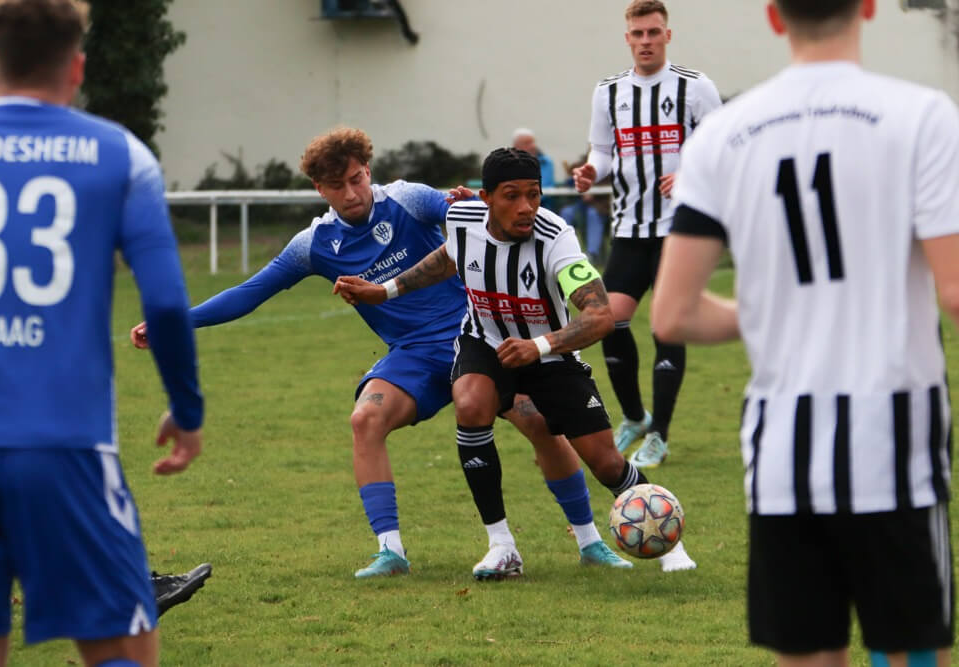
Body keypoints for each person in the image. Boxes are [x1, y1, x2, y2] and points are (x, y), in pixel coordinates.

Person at [132, 127, 632, 579]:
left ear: (368, 171)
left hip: (475, 340)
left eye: (357, 179)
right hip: (413, 356)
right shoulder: (314, 245)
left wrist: (471, 204)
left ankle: (590, 541)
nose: (351, 193)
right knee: (364, 419)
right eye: (338, 186)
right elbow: (251, 291)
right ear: (320, 190)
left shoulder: (410, 200)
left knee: (538, 421)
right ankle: (390, 552)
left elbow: (477, 219)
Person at [651, 1, 958, 664]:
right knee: (907, 646)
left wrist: (772, 312)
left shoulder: (723, 134)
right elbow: (954, 288)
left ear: (774, 17)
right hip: (893, 437)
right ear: (869, 7)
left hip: (782, 442)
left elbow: (672, 314)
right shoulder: (923, 116)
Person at [0, 1, 204, 666]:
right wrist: (187, 411)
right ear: (77, 67)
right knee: (127, 644)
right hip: (63, 442)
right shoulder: (120, 154)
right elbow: (166, 302)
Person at [335, 147, 697, 573]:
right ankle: (502, 545)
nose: (526, 207)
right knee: (470, 404)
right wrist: (386, 290)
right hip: (484, 344)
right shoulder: (462, 218)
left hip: (551, 356)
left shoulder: (555, 236)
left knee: (606, 463)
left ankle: (669, 541)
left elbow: (601, 316)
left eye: (534, 194)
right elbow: (448, 258)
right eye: (511, 195)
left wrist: (540, 346)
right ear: (485, 198)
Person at [573, 0, 722, 468]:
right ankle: (635, 416)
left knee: (666, 322)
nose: (645, 41)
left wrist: (690, 175)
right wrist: (589, 172)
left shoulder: (695, 88)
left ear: (667, 36)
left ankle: (660, 434)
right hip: (631, 227)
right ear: (627, 39)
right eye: (637, 34)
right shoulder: (608, 91)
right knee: (609, 319)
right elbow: (602, 151)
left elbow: (721, 151)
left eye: (653, 32)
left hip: (681, 229)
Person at [512, 128, 555, 210]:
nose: (532, 146)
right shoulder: (507, 163)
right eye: (527, 143)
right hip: (515, 207)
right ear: (516, 146)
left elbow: (543, 187)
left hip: (542, 207)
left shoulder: (545, 162)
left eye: (533, 142)